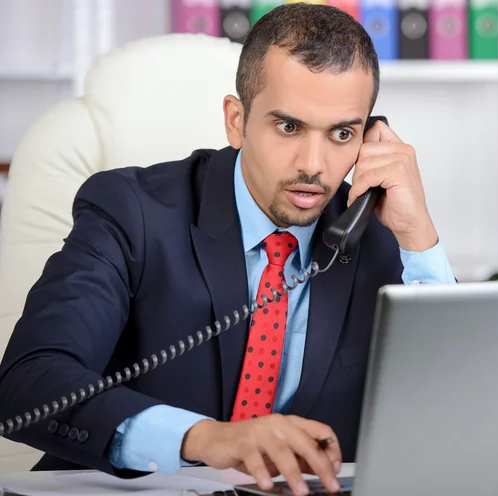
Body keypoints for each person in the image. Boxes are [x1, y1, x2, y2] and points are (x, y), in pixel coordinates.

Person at [0, 3, 456, 495]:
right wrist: (205, 438)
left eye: (341, 134)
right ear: (236, 121)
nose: (314, 165)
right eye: (288, 127)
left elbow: (465, 411)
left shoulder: (382, 230)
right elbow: (27, 385)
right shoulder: (130, 212)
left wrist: (419, 238)